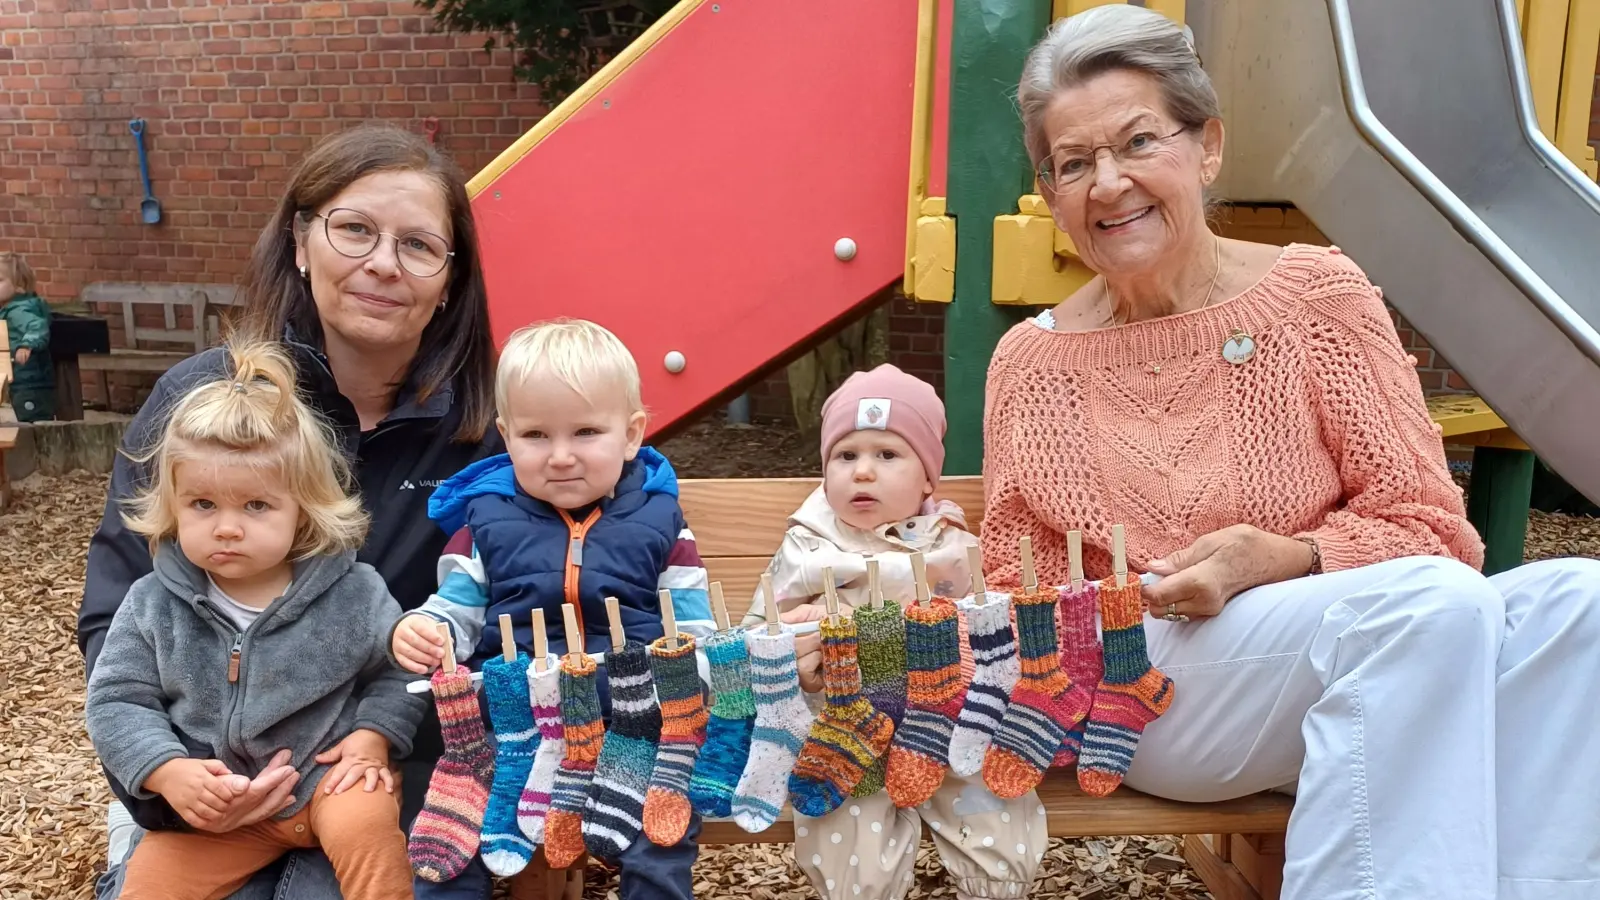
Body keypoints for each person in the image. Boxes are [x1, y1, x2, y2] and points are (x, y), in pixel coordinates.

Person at [980, 6, 1600, 899]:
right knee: (1428, 608)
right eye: (1073, 163)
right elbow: (1016, 591)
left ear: (1208, 148)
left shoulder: (1319, 294)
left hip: (1366, 651)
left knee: (1577, 600)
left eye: (1138, 141)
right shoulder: (1030, 363)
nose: (1109, 183)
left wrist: (1286, 558)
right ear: (1051, 192)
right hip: (1148, 691)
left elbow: (1433, 526)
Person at [80, 122, 501, 900]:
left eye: (418, 245)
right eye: (355, 230)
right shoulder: (203, 408)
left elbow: (499, 632)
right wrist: (168, 778)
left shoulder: (487, 438)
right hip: (199, 765)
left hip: (383, 769)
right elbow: (119, 620)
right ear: (302, 243)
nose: (382, 262)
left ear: (450, 280)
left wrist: (376, 740)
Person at [85, 341, 424, 900]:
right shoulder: (153, 604)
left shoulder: (353, 592)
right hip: (218, 804)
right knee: (142, 886)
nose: (226, 528)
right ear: (172, 504)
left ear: (304, 508)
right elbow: (117, 698)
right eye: (202, 505)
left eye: (256, 506)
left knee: (368, 832)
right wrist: (166, 773)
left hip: (326, 784)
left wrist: (372, 738)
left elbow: (399, 671)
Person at [394, 318, 712, 900]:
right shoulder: (486, 522)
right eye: (536, 435)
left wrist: (698, 675)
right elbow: (455, 609)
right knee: (449, 829)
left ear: (632, 433)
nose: (561, 457)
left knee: (662, 828)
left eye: (587, 431)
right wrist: (425, 629)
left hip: (630, 720)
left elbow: (690, 621)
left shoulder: (661, 520)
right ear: (505, 435)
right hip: (513, 722)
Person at [744, 364, 1049, 900]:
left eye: (887, 455)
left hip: (946, 713)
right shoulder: (807, 549)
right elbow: (757, 632)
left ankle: (996, 883)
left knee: (984, 790)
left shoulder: (951, 546)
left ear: (928, 477)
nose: (863, 472)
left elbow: (991, 629)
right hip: (845, 719)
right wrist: (788, 640)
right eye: (846, 456)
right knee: (850, 826)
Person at [0, 251, 56, 422]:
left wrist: (26, 345)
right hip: (20, 381)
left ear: (19, 285)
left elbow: (36, 326)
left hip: (30, 383)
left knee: (33, 423)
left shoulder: (19, 310)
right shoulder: (8, 309)